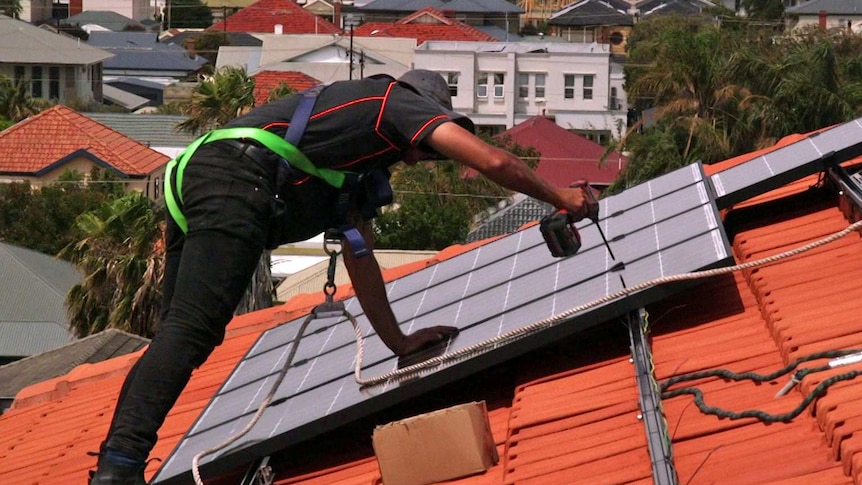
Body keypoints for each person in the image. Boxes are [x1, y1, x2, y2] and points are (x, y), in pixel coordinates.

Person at [89, 69, 597, 484]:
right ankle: (120, 469)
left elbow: (361, 257)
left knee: (181, 334)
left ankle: (118, 458)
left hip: (202, 175)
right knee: (192, 329)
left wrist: (399, 339)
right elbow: (494, 160)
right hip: (235, 177)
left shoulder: (355, 167)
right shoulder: (396, 102)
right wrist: (563, 199)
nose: (426, 155)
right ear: (427, 113)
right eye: (434, 142)